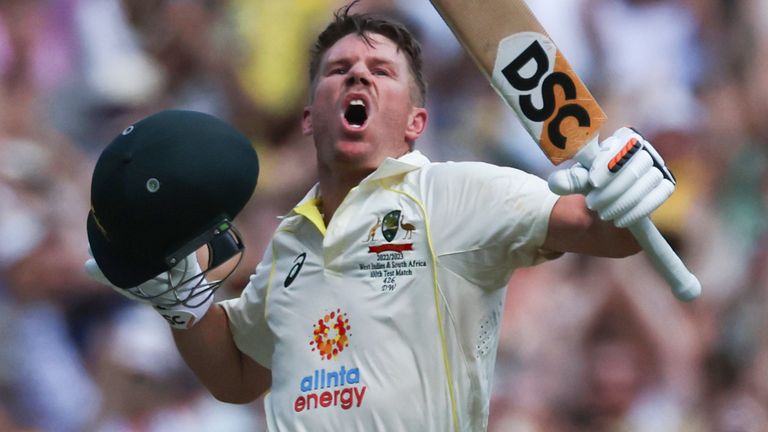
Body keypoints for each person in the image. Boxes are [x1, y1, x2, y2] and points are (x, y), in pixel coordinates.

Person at [85, 3, 678, 431]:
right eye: (338, 70)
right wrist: (184, 303)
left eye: (381, 71)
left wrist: (626, 186)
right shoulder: (290, 243)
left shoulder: (458, 193)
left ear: (417, 123)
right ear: (309, 118)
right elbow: (237, 378)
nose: (358, 75)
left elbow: (607, 233)